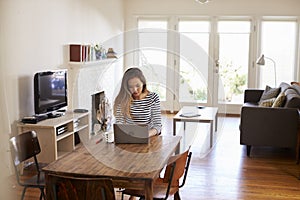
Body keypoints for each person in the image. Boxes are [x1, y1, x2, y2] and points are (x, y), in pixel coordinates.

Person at [113, 67, 162, 137]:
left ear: (143, 83)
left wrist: (146, 134)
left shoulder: (153, 98)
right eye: (130, 86)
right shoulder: (122, 99)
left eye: (138, 85)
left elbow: (158, 126)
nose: (135, 90)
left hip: (148, 138)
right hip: (128, 137)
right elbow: (119, 124)